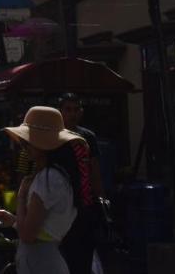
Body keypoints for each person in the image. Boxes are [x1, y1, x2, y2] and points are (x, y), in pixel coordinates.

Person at [0, 106, 83, 274]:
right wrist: (13, 220)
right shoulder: (56, 176)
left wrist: (21, 197)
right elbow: (41, 228)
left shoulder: (48, 179)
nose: (24, 146)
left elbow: (27, 235)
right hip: (44, 259)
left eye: (28, 143)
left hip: (40, 262)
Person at [57, 94, 103, 274]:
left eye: (76, 109)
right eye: (68, 109)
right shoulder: (54, 138)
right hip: (62, 205)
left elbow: (95, 171)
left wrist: (101, 199)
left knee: (84, 255)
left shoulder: (88, 137)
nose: (72, 114)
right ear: (60, 112)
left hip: (85, 204)